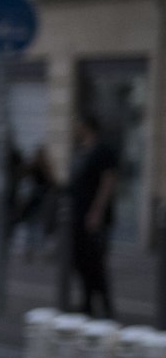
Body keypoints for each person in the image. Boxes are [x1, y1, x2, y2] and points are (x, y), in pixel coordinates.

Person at [68, 115, 119, 318]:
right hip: (78, 214)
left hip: (93, 216)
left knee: (95, 261)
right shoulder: (81, 150)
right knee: (80, 260)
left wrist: (96, 211)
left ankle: (106, 307)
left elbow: (108, 181)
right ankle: (87, 303)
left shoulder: (103, 151)